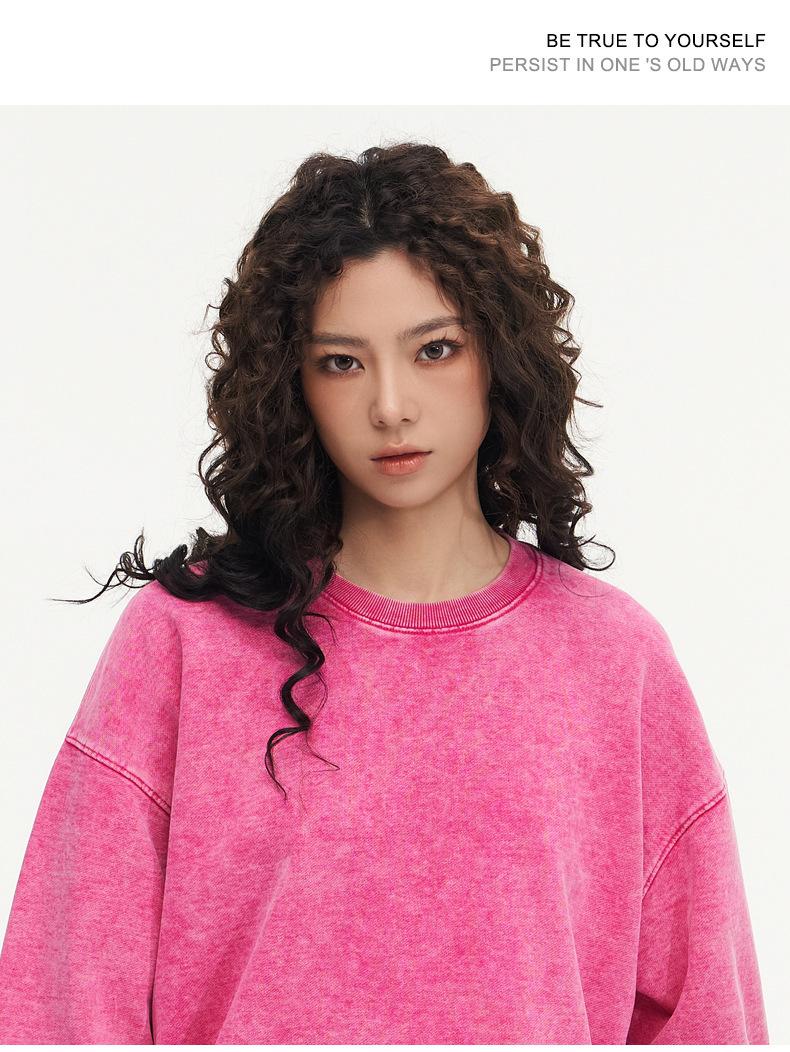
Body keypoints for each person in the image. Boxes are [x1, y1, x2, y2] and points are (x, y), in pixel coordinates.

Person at [0, 142, 769, 1044]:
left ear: (499, 356)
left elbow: (707, 1020)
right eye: (342, 362)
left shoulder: (614, 660)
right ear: (290, 383)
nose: (391, 405)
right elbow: (63, 1004)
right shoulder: (183, 644)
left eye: (434, 349)